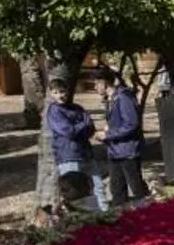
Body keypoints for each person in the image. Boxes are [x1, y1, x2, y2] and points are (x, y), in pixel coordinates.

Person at [46, 78, 108, 212]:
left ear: (67, 91)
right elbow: (68, 131)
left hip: (85, 152)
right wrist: (82, 124)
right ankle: (79, 219)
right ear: (51, 93)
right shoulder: (54, 111)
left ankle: (103, 213)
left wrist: (82, 126)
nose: (60, 95)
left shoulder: (77, 108)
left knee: (97, 185)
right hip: (68, 155)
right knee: (74, 191)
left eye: (62, 91)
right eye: (56, 92)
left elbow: (90, 127)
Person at [94, 68, 149, 206]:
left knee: (137, 188)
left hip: (128, 151)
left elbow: (131, 124)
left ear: (104, 83)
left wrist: (108, 134)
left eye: (96, 84)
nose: (95, 87)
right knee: (117, 189)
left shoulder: (124, 97)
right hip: (115, 151)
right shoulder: (112, 99)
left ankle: (148, 214)